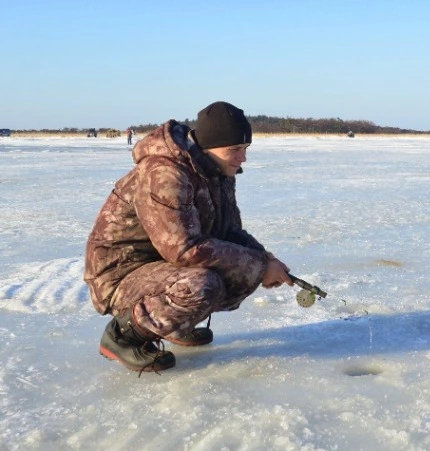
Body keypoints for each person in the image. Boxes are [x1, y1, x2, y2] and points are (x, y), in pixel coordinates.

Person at [84, 101, 293, 373]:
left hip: (158, 265)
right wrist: (259, 266)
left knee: (231, 268)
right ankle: (123, 334)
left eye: (245, 149)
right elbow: (183, 249)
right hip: (120, 273)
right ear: (208, 146)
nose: (243, 158)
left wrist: (265, 259)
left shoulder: (217, 170)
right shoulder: (165, 173)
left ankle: (174, 325)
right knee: (203, 284)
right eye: (235, 150)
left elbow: (228, 231)